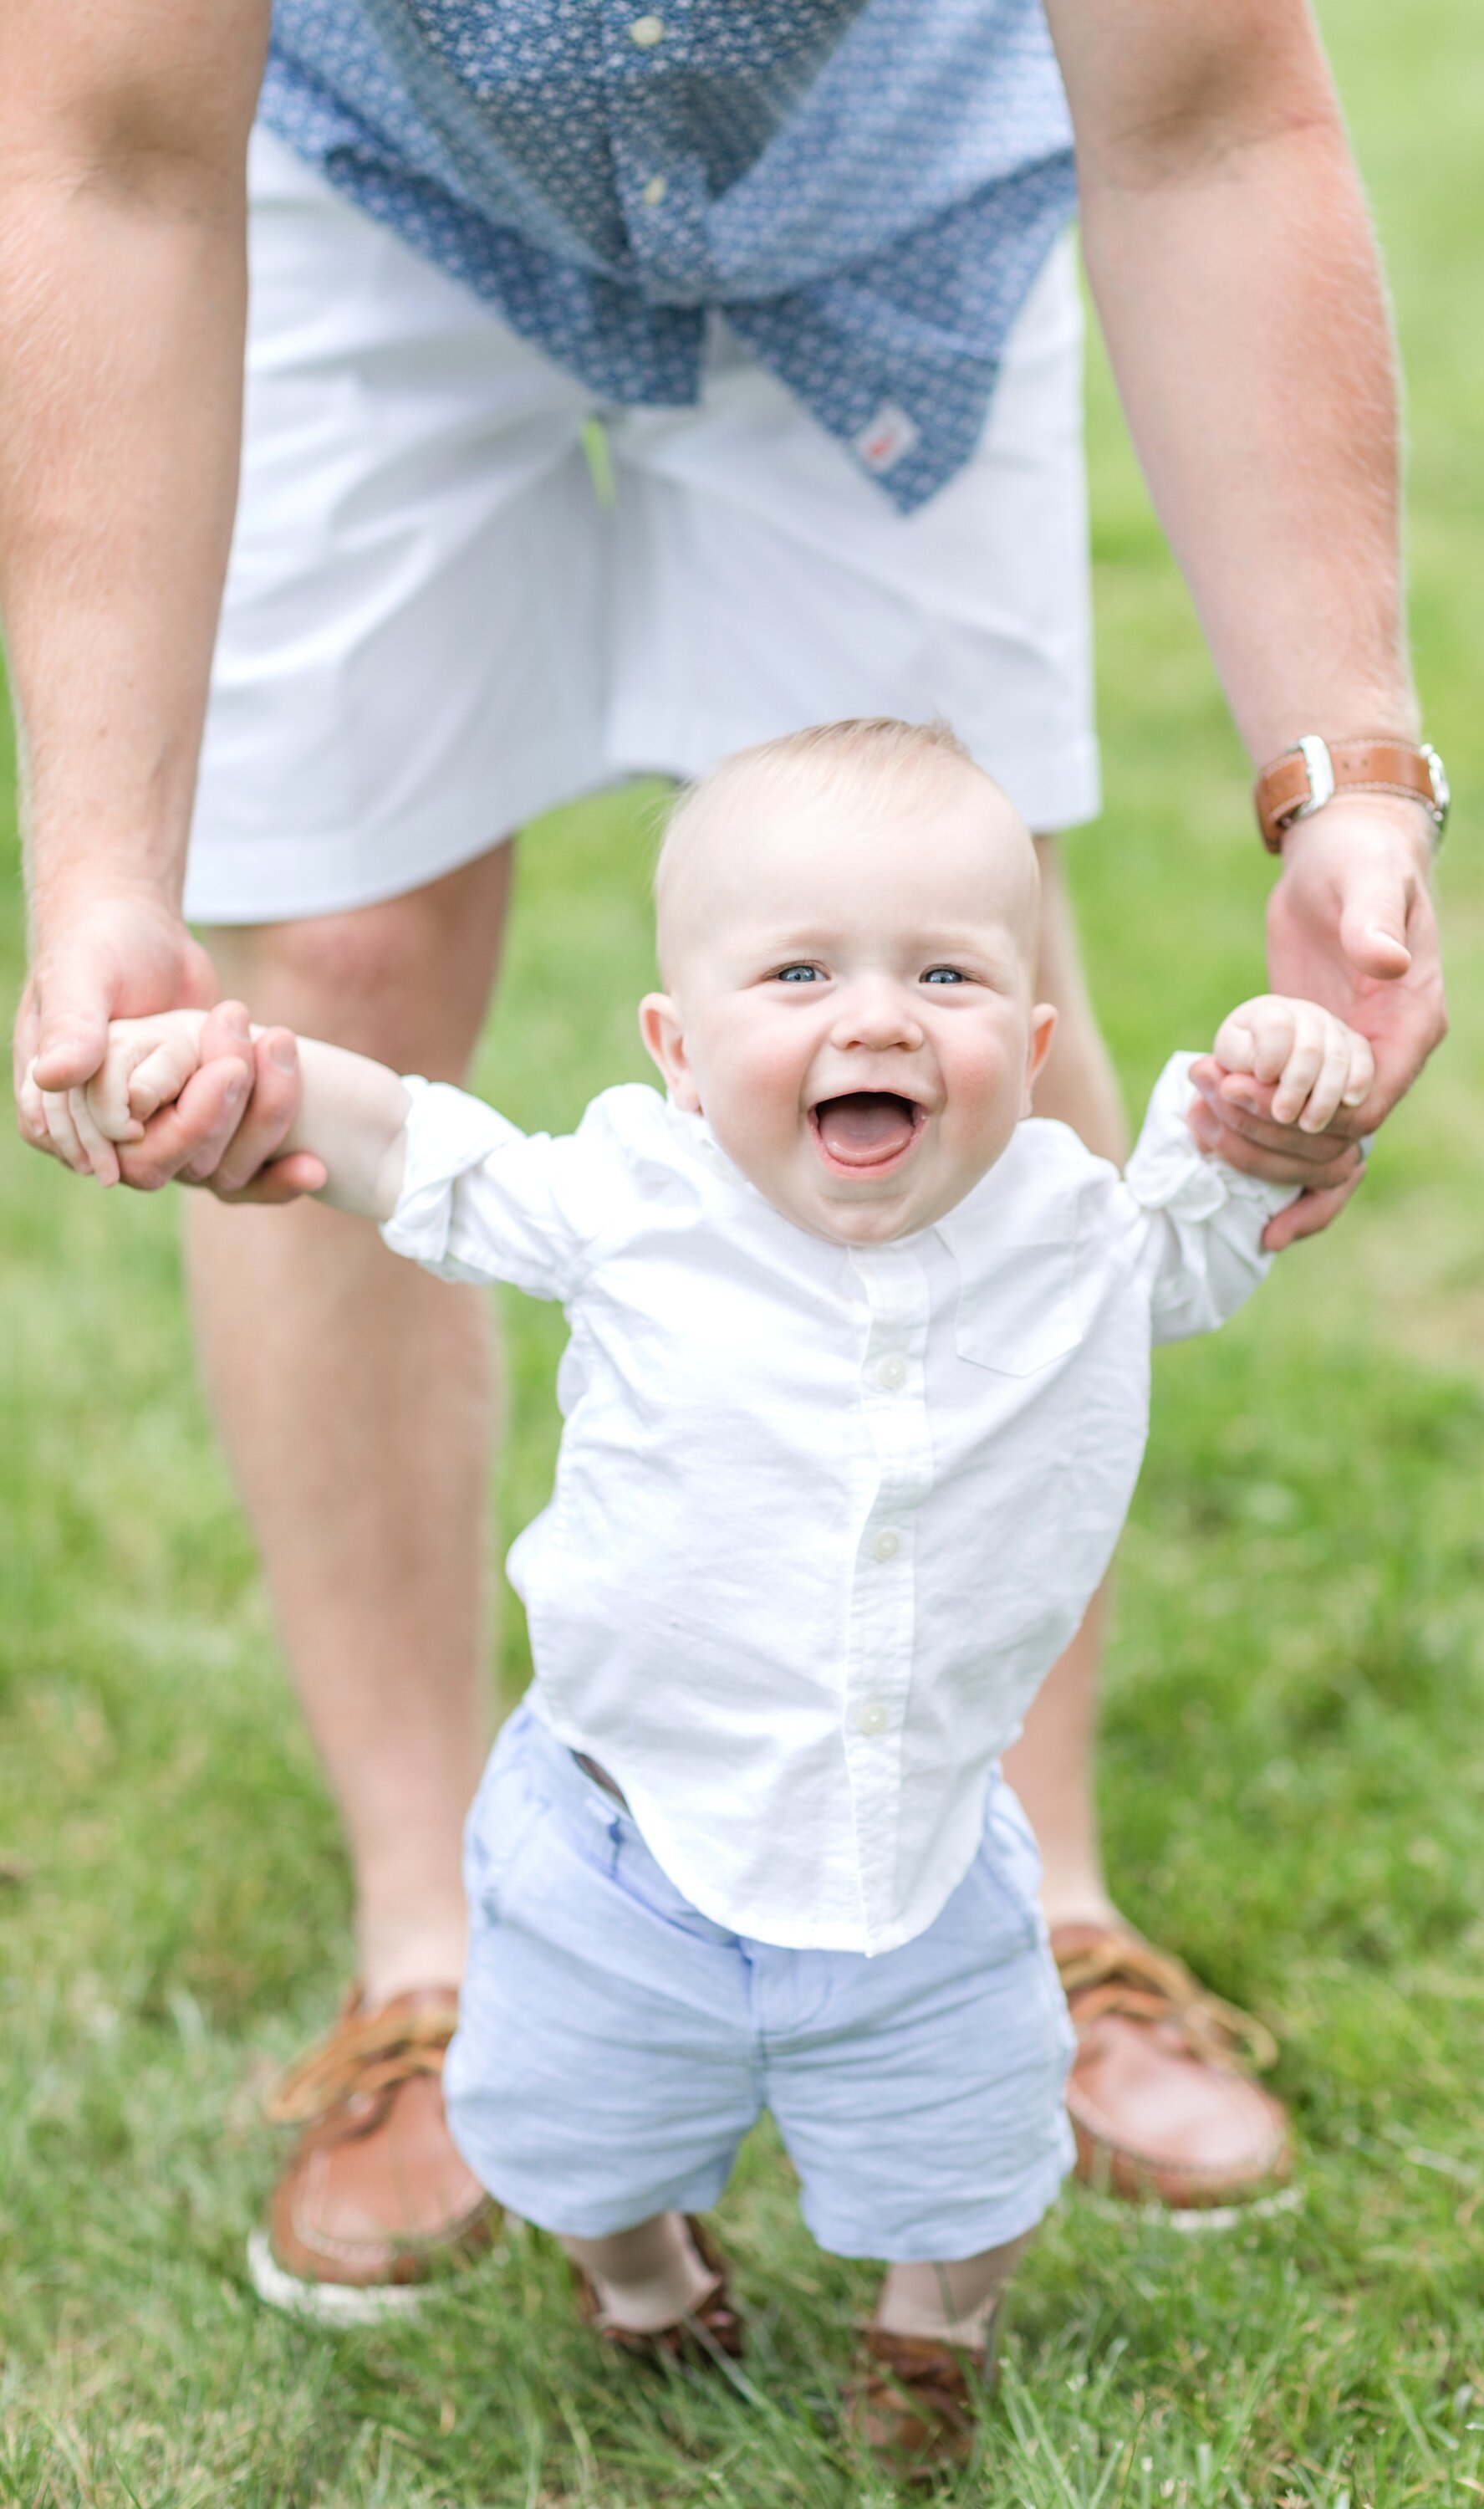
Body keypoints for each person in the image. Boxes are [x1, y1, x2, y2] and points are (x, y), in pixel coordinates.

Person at [3, 0, 1447, 2308]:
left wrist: (1346, 781)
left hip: (878, 185)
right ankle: (436, 1941)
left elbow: (1206, 122)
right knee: (339, 964)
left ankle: (1020, 1897)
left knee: (938, 931)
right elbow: (109, 161)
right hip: (367, 174)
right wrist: (99, 872)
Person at [43, 718, 1378, 2468]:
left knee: (972, 2148)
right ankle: (650, 2278)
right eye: (802, 971)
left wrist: (1278, 1101)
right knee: (573, 2138)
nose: (879, 1016)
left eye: (949, 973)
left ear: (1033, 1043)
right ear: (679, 1048)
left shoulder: (1069, 1230)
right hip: (618, 1847)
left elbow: (1207, 1236)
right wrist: (278, 1086)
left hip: (917, 1855)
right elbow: (432, 1159)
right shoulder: (638, 1200)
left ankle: (930, 2329)